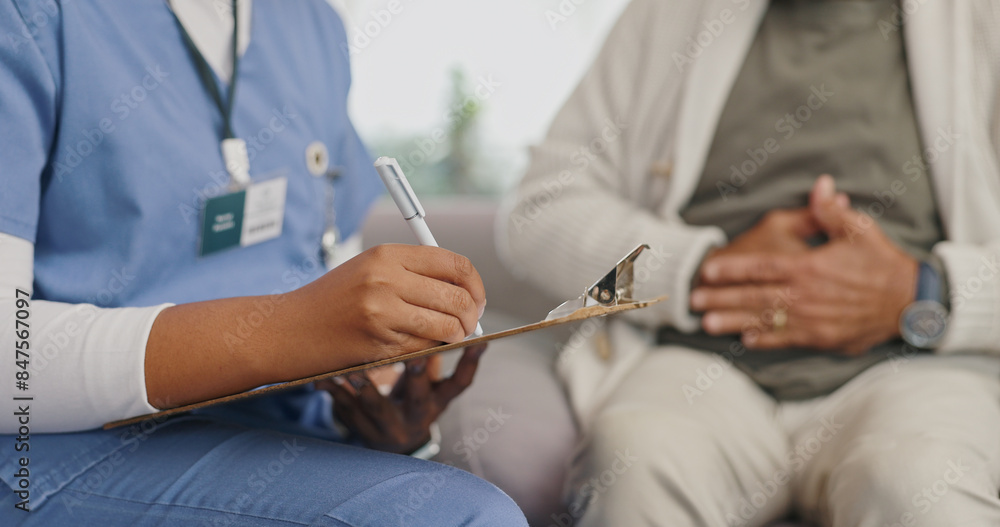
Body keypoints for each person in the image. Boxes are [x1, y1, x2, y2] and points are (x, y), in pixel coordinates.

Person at [0, 1, 527, 525]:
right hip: (58, 449)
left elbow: (331, 261)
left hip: (282, 434)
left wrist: (378, 408)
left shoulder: (312, 26)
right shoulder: (32, 18)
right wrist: (283, 330)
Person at [502, 0, 1000, 525]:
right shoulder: (663, 14)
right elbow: (540, 207)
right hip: (701, 365)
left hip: (917, 369)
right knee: (636, 455)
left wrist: (926, 292)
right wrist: (697, 273)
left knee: (919, 474)